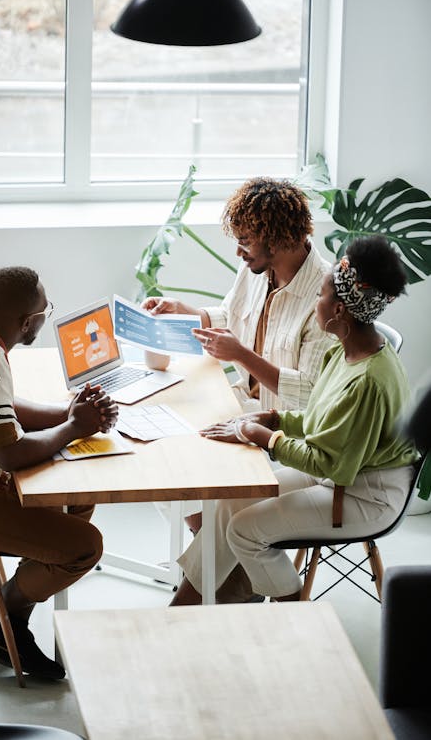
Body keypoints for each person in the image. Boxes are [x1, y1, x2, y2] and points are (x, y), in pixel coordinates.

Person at [170, 235, 419, 606]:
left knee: (244, 531)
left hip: (365, 494)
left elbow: (331, 463)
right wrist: (272, 417)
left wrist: (264, 438)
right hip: (341, 472)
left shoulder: (368, 380)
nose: (315, 303)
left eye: (320, 296)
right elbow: (324, 419)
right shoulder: (347, 351)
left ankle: (295, 616)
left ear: (339, 312)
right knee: (229, 503)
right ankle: (186, 609)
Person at [143, 177, 331, 599]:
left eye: (245, 240)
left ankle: (192, 601)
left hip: (285, 429)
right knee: (160, 447)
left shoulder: (324, 297)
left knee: (228, 500)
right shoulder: (256, 271)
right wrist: (187, 311)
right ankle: (228, 565)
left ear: (277, 239)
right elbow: (230, 312)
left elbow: (313, 394)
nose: (239, 250)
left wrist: (242, 355)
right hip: (242, 407)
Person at [0, 267, 118, 680]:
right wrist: (73, 429)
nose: (44, 317)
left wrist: (69, 413)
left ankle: (4, 619)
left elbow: (3, 407)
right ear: (27, 322)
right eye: (44, 311)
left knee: (78, 493)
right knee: (84, 546)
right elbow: (9, 455)